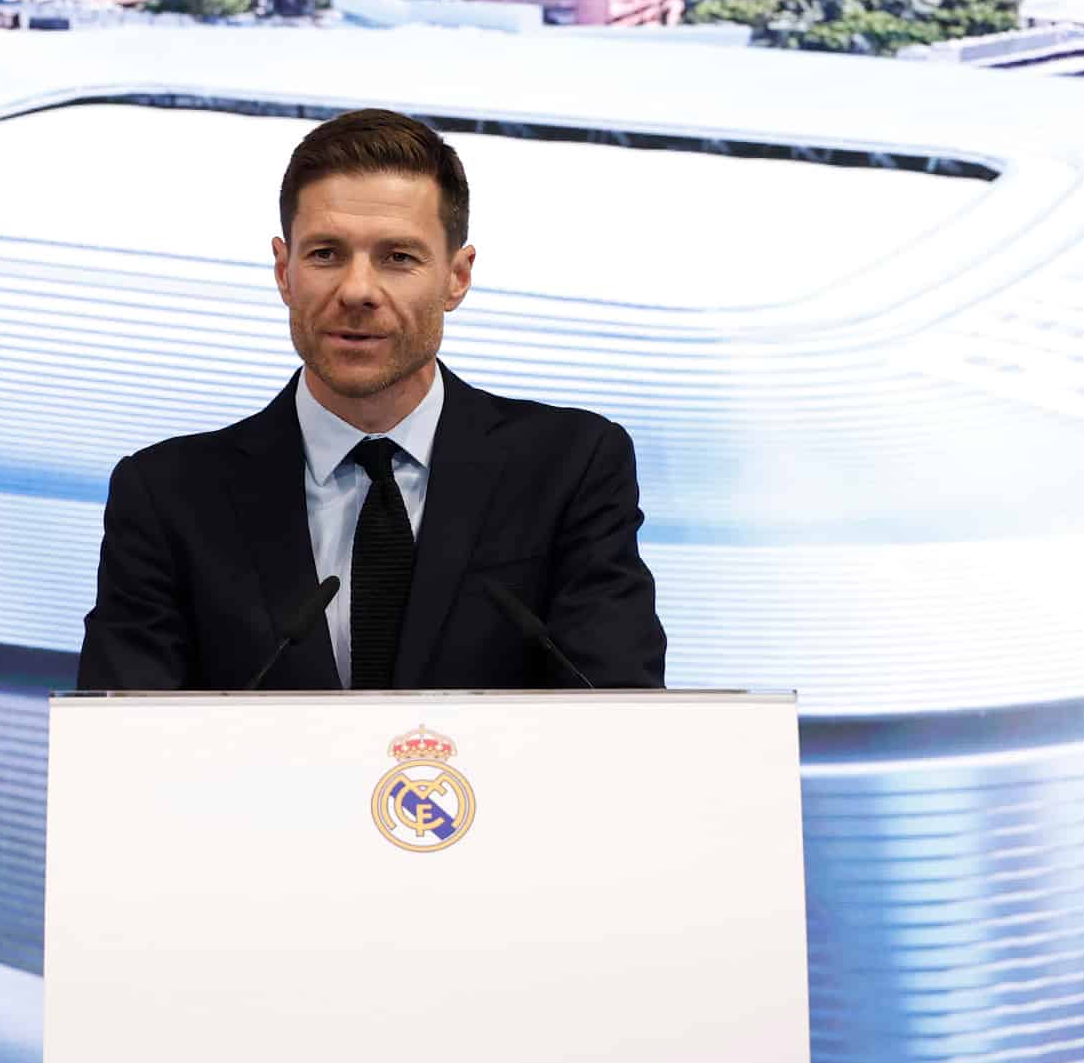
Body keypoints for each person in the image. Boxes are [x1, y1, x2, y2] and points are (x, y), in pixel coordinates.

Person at [76, 108, 665, 691]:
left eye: (398, 257)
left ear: (457, 276)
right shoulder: (167, 496)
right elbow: (121, 738)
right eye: (326, 254)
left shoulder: (569, 468)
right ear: (283, 271)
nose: (357, 291)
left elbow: (620, 715)